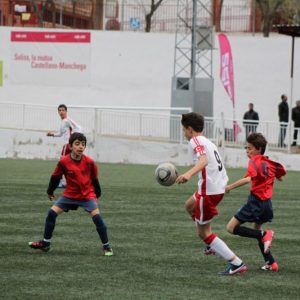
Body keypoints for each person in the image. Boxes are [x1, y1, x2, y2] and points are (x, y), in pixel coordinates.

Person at [175, 112, 247, 276]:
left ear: (190, 129)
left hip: (209, 191)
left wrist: (188, 174)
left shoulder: (195, 140)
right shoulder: (207, 141)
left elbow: (203, 161)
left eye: (184, 130)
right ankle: (209, 244)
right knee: (189, 206)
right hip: (215, 188)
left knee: (203, 233)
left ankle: (237, 263)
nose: (184, 133)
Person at [28, 132, 113, 256]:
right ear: (70, 146)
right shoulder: (64, 161)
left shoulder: (90, 162)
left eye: (83, 144)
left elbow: (95, 180)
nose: (80, 147)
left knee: (98, 219)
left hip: (86, 196)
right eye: (77, 144)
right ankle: (46, 244)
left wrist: (97, 195)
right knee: (51, 213)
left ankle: (107, 247)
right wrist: (50, 191)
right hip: (69, 195)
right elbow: (55, 177)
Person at [225, 132, 286, 272]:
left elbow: (247, 179)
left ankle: (265, 235)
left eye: (250, 148)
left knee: (231, 228)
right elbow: (280, 176)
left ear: (258, 149)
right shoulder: (269, 162)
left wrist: (229, 187)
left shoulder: (254, 162)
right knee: (257, 229)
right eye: (246, 148)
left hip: (255, 202)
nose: (247, 151)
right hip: (267, 205)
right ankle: (270, 262)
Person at [47, 104, 82, 187]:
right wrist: (52, 134)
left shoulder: (67, 120)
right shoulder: (63, 122)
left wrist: (75, 140)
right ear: (58, 112)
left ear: (66, 111)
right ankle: (74, 181)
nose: (61, 112)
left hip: (68, 145)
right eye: (60, 110)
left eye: (63, 110)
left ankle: (63, 182)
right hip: (69, 145)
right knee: (71, 163)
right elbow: (60, 133)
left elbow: (78, 127)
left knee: (62, 163)